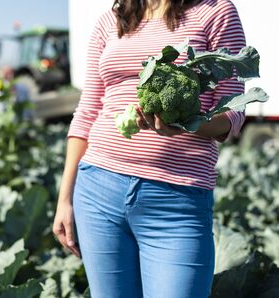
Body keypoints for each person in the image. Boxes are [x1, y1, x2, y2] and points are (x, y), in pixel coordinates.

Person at [52, 0, 246, 297]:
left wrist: (185, 123)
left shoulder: (215, 11)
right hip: (97, 190)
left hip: (176, 198)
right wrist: (65, 198)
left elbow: (234, 111)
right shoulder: (111, 20)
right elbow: (88, 111)